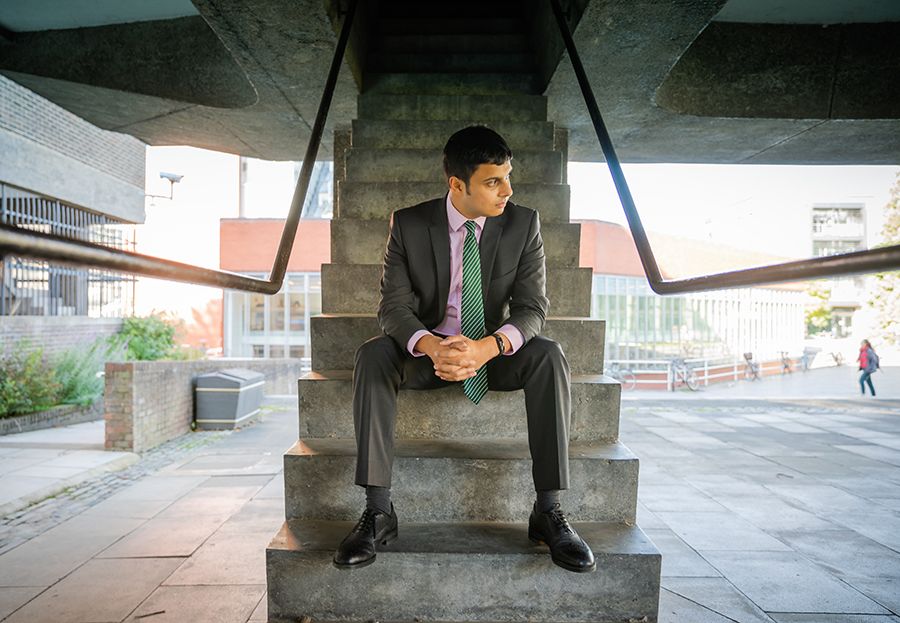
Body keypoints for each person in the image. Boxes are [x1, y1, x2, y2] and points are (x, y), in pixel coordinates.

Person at [332, 126, 595, 573]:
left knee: (549, 354)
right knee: (373, 354)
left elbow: (533, 310)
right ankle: (379, 511)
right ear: (457, 184)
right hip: (428, 354)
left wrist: (487, 348)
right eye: (494, 181)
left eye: (508, 177)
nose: (507, 191)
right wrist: (434, 346)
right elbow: (393, 309)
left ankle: (547, 511)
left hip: (493, 355)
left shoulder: (523, 224)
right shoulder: (410, 224)